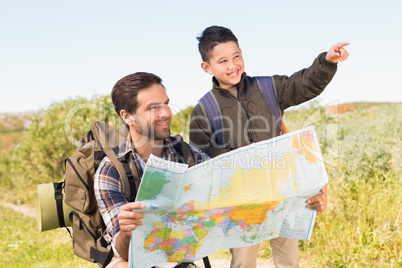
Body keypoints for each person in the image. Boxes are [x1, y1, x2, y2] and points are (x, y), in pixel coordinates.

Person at [189, 25, 349, 268]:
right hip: (242, 203)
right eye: (223, 61)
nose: (233, 65)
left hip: (283, 193)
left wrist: (326, 62)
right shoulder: (204, 109)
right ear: (207, 67)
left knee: (289, 260)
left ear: (242, 53)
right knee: (243, 260)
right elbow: (202, 160)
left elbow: (304, 84)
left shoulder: (267, 87)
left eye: (236, 56)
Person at [94, 72, 210, 268]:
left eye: (166, 103)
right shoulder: (110, 170)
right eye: (153, 108)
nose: (166, 113)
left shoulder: (189, 155)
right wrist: (127, 230)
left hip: (174, 257)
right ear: (127, 116)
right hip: (131, 259)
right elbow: (123, 253)